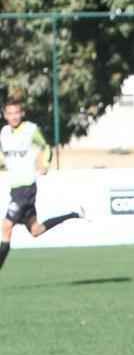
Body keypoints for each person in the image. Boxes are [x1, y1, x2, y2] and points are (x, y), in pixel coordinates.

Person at [0, 101, 83, 271]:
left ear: (22, 113)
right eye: (10, 113)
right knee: (36, 230)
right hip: (15, 188)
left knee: (6, 226)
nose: (14, 116)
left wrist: (45, 163)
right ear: (5, 115)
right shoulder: (4, 132)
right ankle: (73, 214)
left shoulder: (30, 129)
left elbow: (46, 147)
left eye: (17, 112)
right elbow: (4, 157)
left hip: (26, 188)